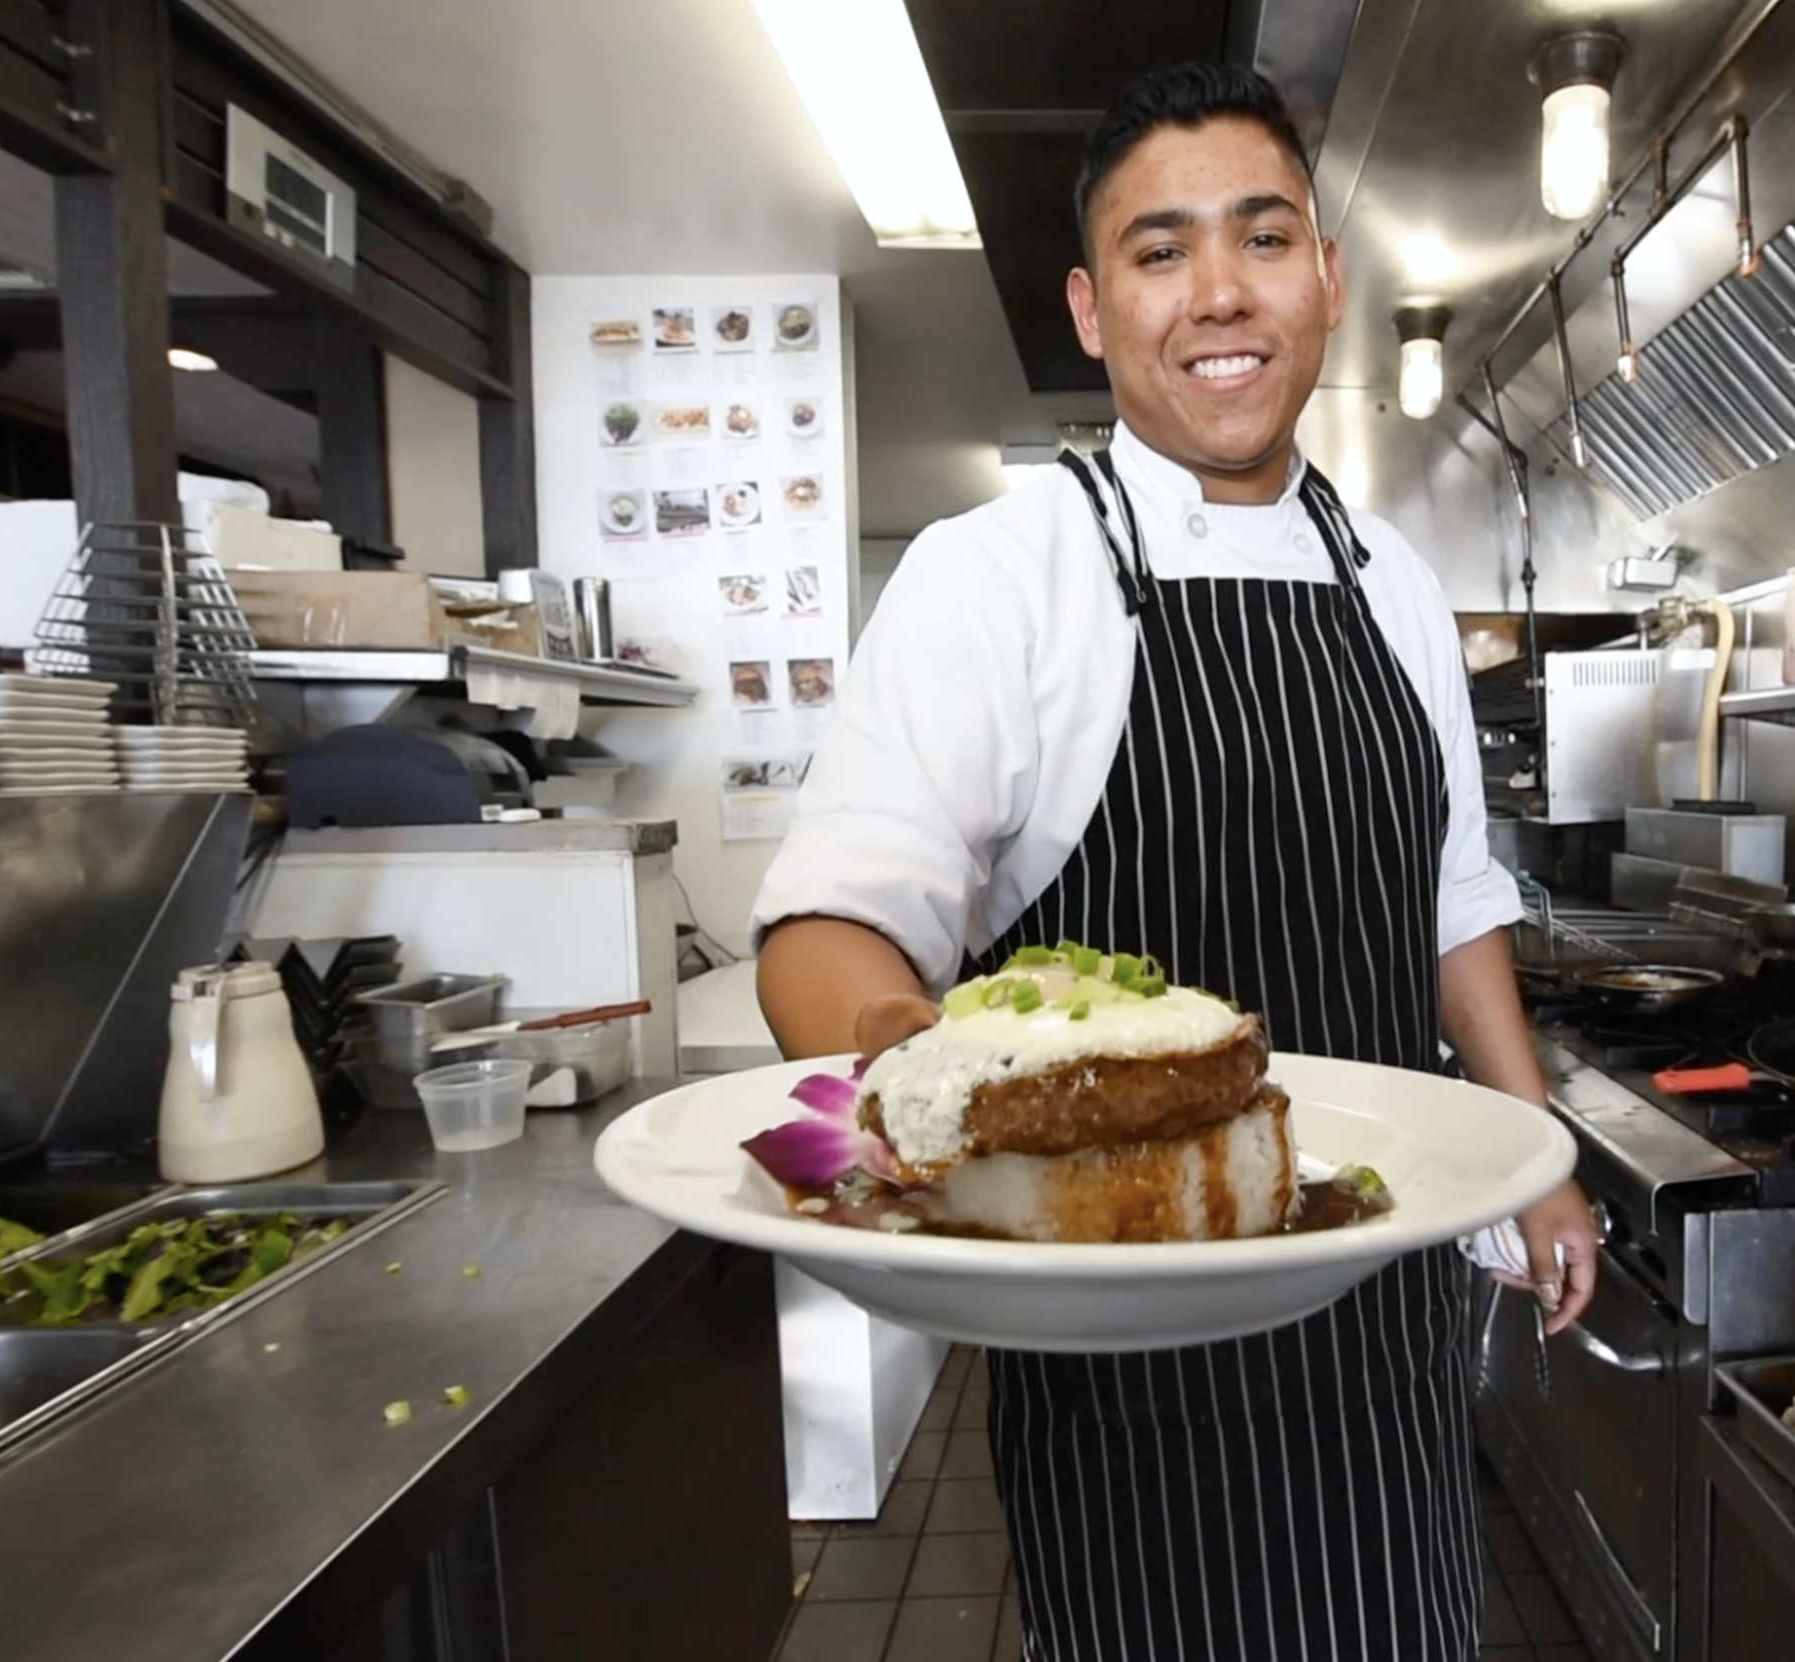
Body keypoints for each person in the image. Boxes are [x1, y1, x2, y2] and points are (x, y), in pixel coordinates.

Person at [753, 60, 1600, 1662]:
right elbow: (830, 920)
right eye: (1160, 251)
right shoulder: (1000, 575)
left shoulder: (1393, 582)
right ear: (1091, 308)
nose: (1219, 291)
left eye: (1264, 238)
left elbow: (1453, 902)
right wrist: (908, 1073)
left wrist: (1537, 1149)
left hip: (1376, 1310)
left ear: (1327, 280)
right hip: (1116, 1336)